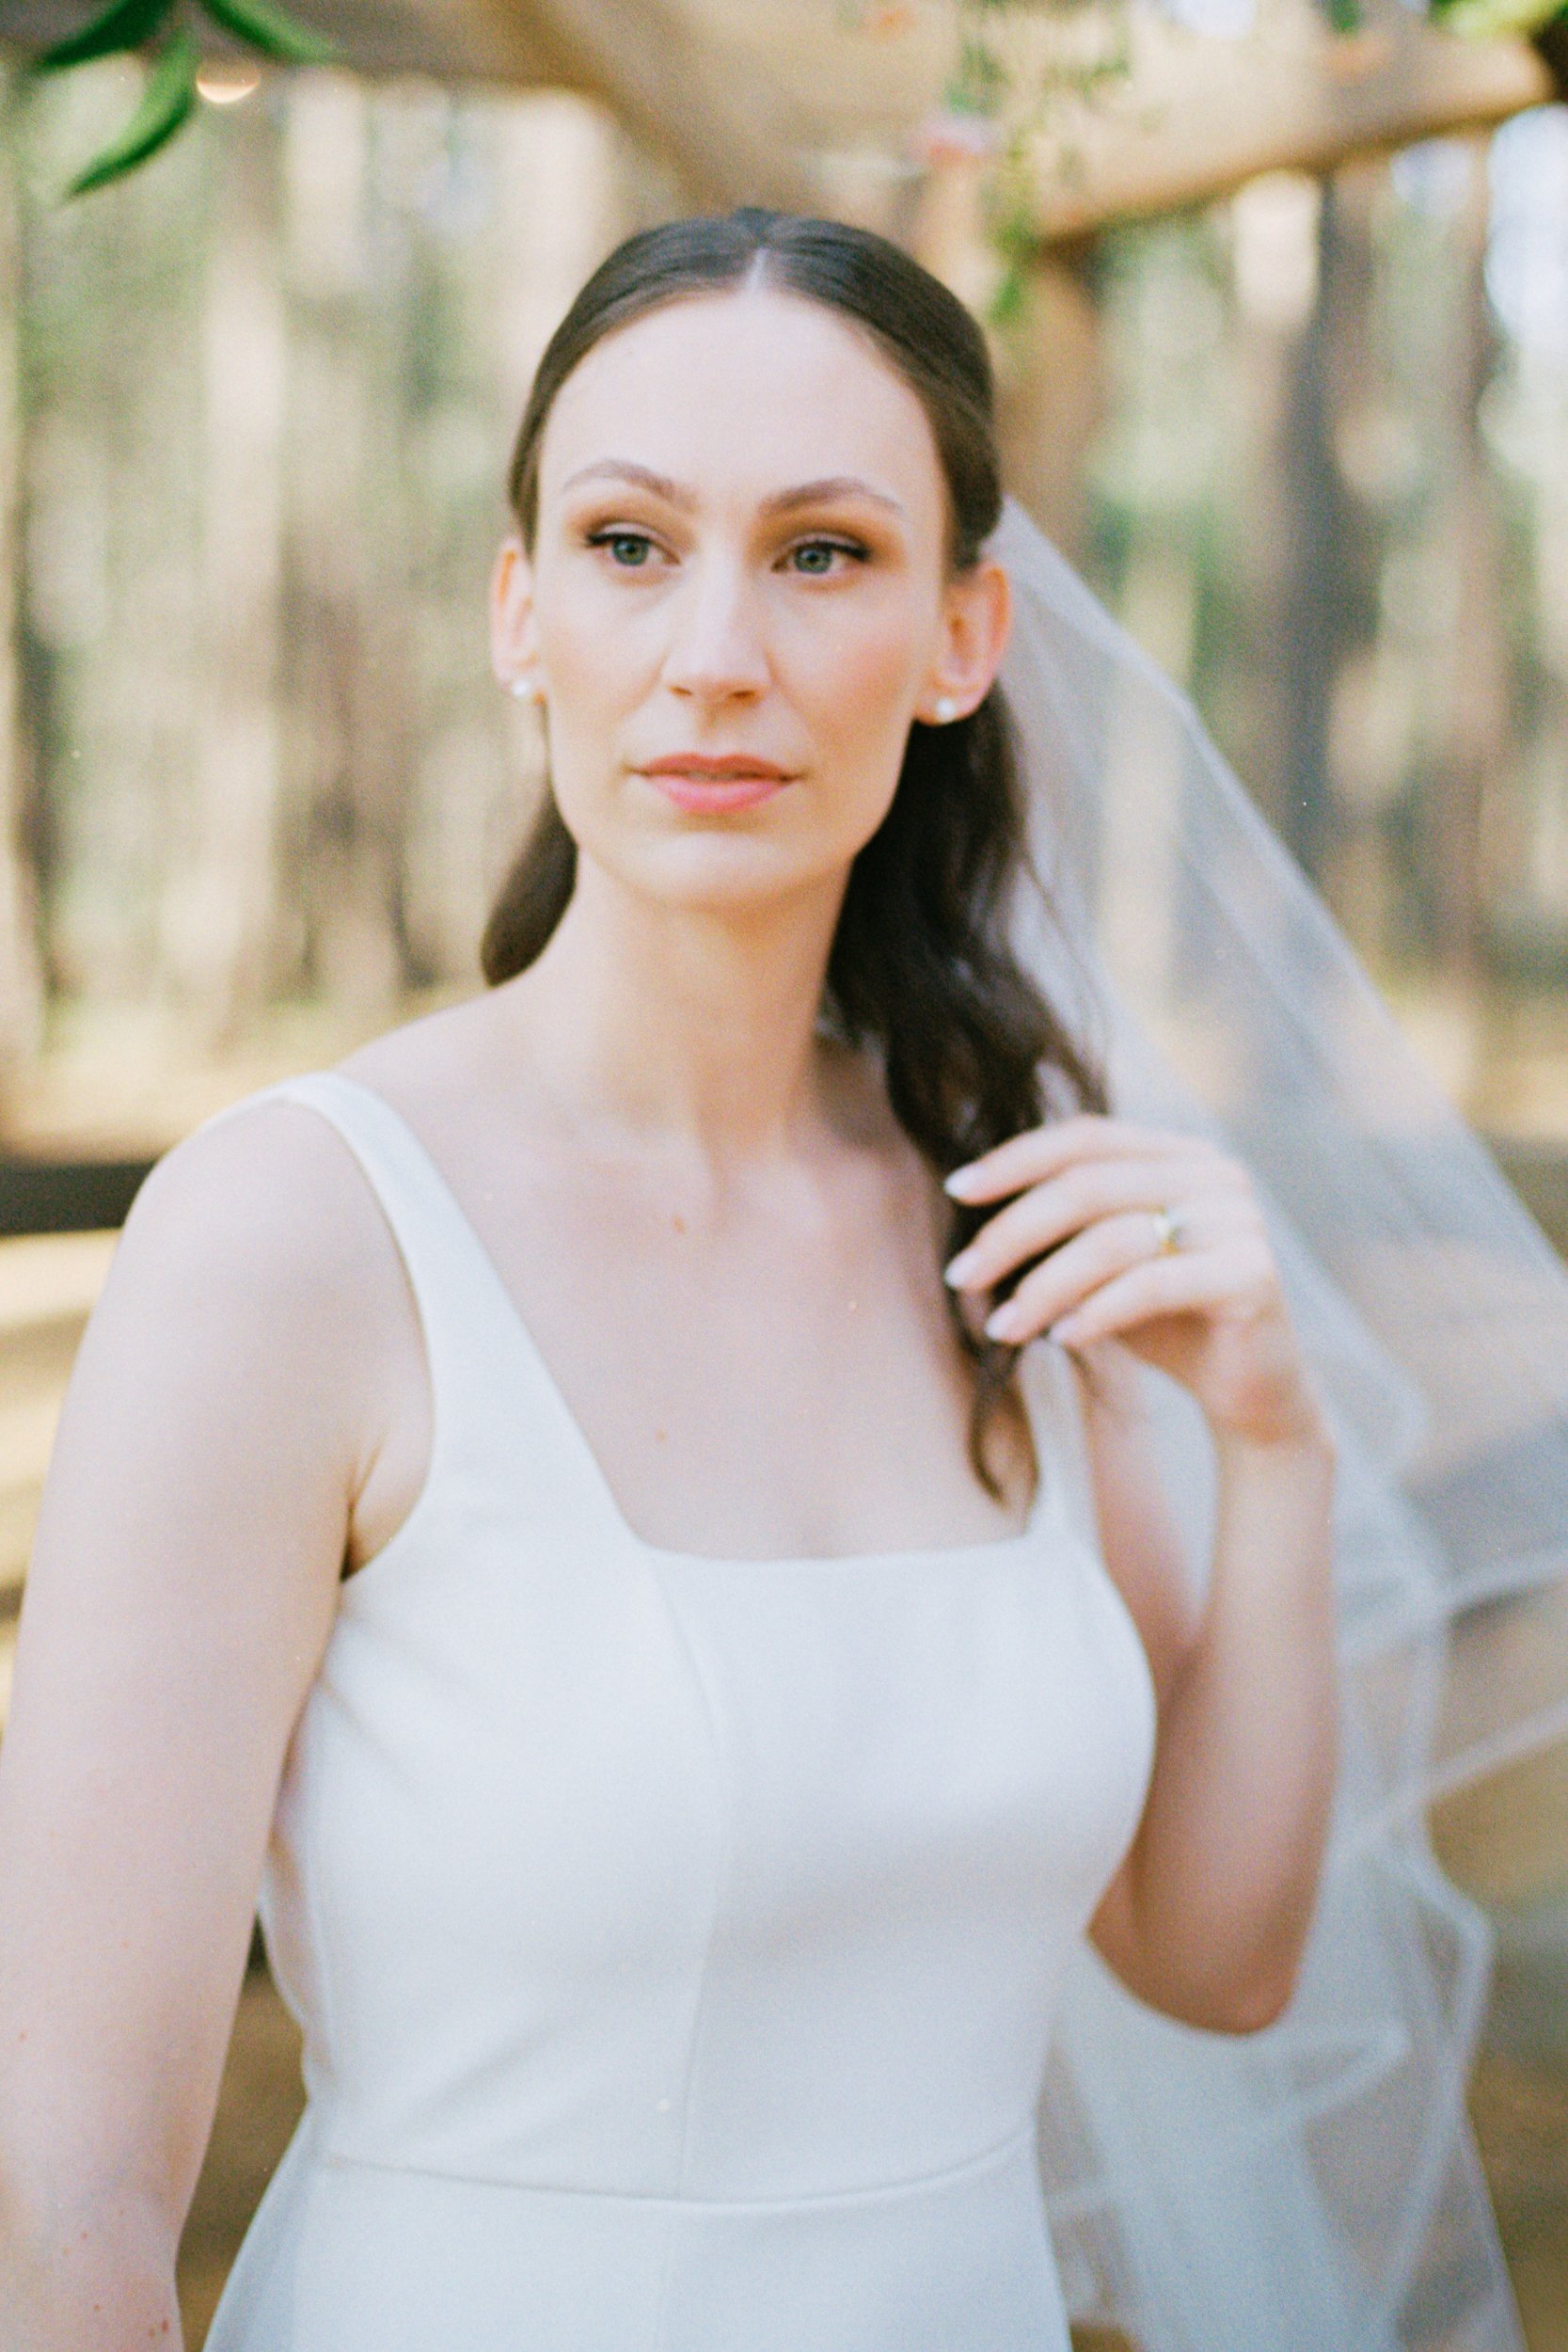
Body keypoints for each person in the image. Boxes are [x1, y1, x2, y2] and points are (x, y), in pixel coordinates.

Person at [0, 206, 1351, 2351]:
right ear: (521, 610)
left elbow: (1218, 1955)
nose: (717, 649)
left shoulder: (1010, 1219)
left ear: (963, 634)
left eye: (822, 552)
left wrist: (1274, 1439)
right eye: (630, 544)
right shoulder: (297, 1237)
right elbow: (61, 2188)